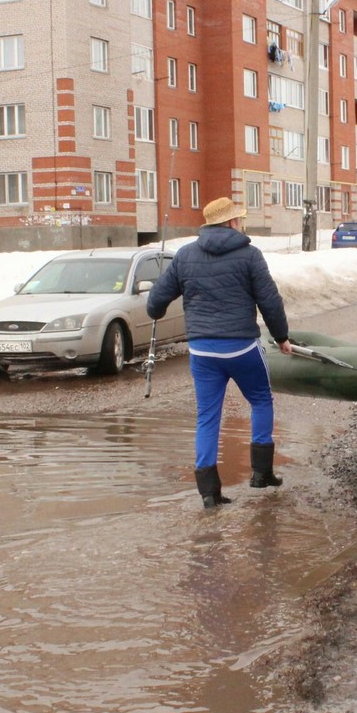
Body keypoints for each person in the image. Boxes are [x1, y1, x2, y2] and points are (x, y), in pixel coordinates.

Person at [147, 196, 294, 509]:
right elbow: (270, 301)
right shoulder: (250, 255)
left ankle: (209, 492)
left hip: (202, 351)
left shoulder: (185, 255)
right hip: (241, 346)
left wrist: (157, 309)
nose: (241, 223)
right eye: (238, 219)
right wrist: (282, 337)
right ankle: (261, 474)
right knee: (261, 399)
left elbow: (155, 303)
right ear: (230, 223)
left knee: (207, 417)